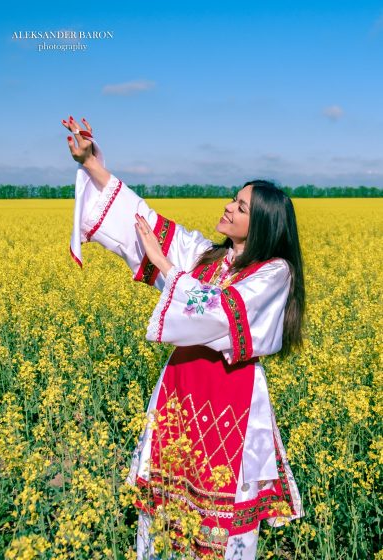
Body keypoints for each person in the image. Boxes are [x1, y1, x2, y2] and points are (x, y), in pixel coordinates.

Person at [62, 116, 306, 559]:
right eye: (234, 199)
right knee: (167, 501)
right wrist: (92, 164)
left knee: (221, 507)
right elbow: (146, 225)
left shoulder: (274, 272)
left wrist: (166, 268)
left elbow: (223, 313)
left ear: (263, 224)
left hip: (230, 398)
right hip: (179, 387)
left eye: (241, 207)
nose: (229, 207)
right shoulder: (207, 256)